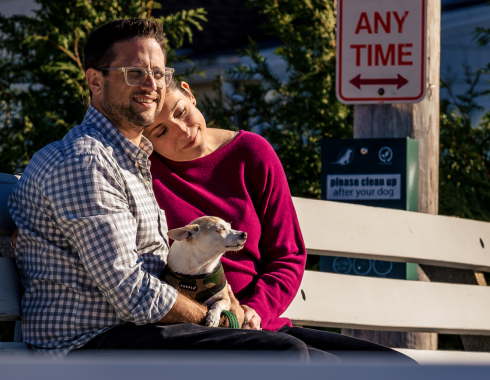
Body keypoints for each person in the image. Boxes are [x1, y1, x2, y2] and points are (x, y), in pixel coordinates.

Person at [8, 18, 312, 359]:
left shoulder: (132, 159)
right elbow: (130, 290)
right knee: (286, 356)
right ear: (95, 81)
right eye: (134, 73)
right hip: (91, 347)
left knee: (354, 364)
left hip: (142, 335)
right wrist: (223, 321)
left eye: (158, 73)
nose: (151, 84)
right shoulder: (86, 161)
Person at [144, 80, 416, 362]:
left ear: (189, 93)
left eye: (180, 111)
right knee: (328, 371)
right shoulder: (146, 173)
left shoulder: (251, 153)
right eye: (161, 131)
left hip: (263, 324)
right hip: (204, 331)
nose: (183, 131)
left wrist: (254, 309)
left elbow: (288, 255)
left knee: (398, 369)